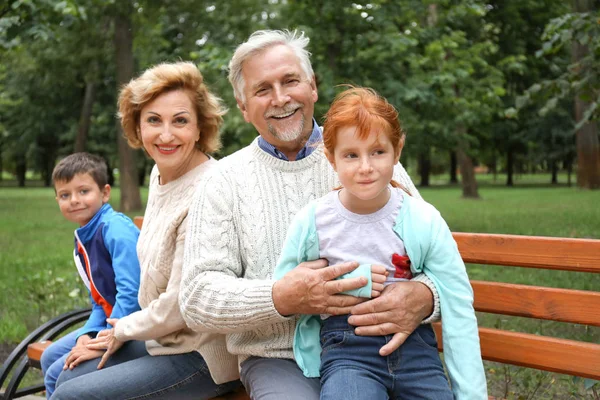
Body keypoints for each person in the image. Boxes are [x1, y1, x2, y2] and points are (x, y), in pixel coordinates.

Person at [180, 30, 441, 400]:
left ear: (313, 86)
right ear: (242, 106)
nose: (281, 98)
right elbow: (196, 299)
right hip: (281, 360)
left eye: (290, 81)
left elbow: (438, 256)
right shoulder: (222, 181)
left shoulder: (366, 156)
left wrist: (426, 297)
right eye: (262, 89)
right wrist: (280, 298)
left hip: (383, 350)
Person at [274, 87, 487, 399]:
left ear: (397, 150)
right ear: (331, 158)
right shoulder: (313, 221)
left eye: (377, 151)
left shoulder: (422, 219)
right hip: (348, 354)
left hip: (416, 351)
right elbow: (287, 286)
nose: (365, 167)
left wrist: (471, 395)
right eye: (351, 155)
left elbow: (457, 303)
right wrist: (351, 279)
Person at [51, 62, 240, 400]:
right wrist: (114, 329)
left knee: (71, 394)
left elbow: (183, 304)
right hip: (161, 338)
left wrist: (121, 330)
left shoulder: (210, 189)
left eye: (180, 120)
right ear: (137, 127)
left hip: (201, 355)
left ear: (200, 128)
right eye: (154, 120)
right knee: (64, 374)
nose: (165, 135)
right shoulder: (161, 173)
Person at [41, 152, 141, 399]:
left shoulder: (114, 229)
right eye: (65, 195)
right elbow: (99, 301)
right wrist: (87, 334)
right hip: (112, 321)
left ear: (105, 193)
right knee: (49, 356)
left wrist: (102, 340)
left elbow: (132, 293)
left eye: (83, 191)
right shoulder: (84, 237)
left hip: (136, 326)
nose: (74, 200)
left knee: (58, 372)